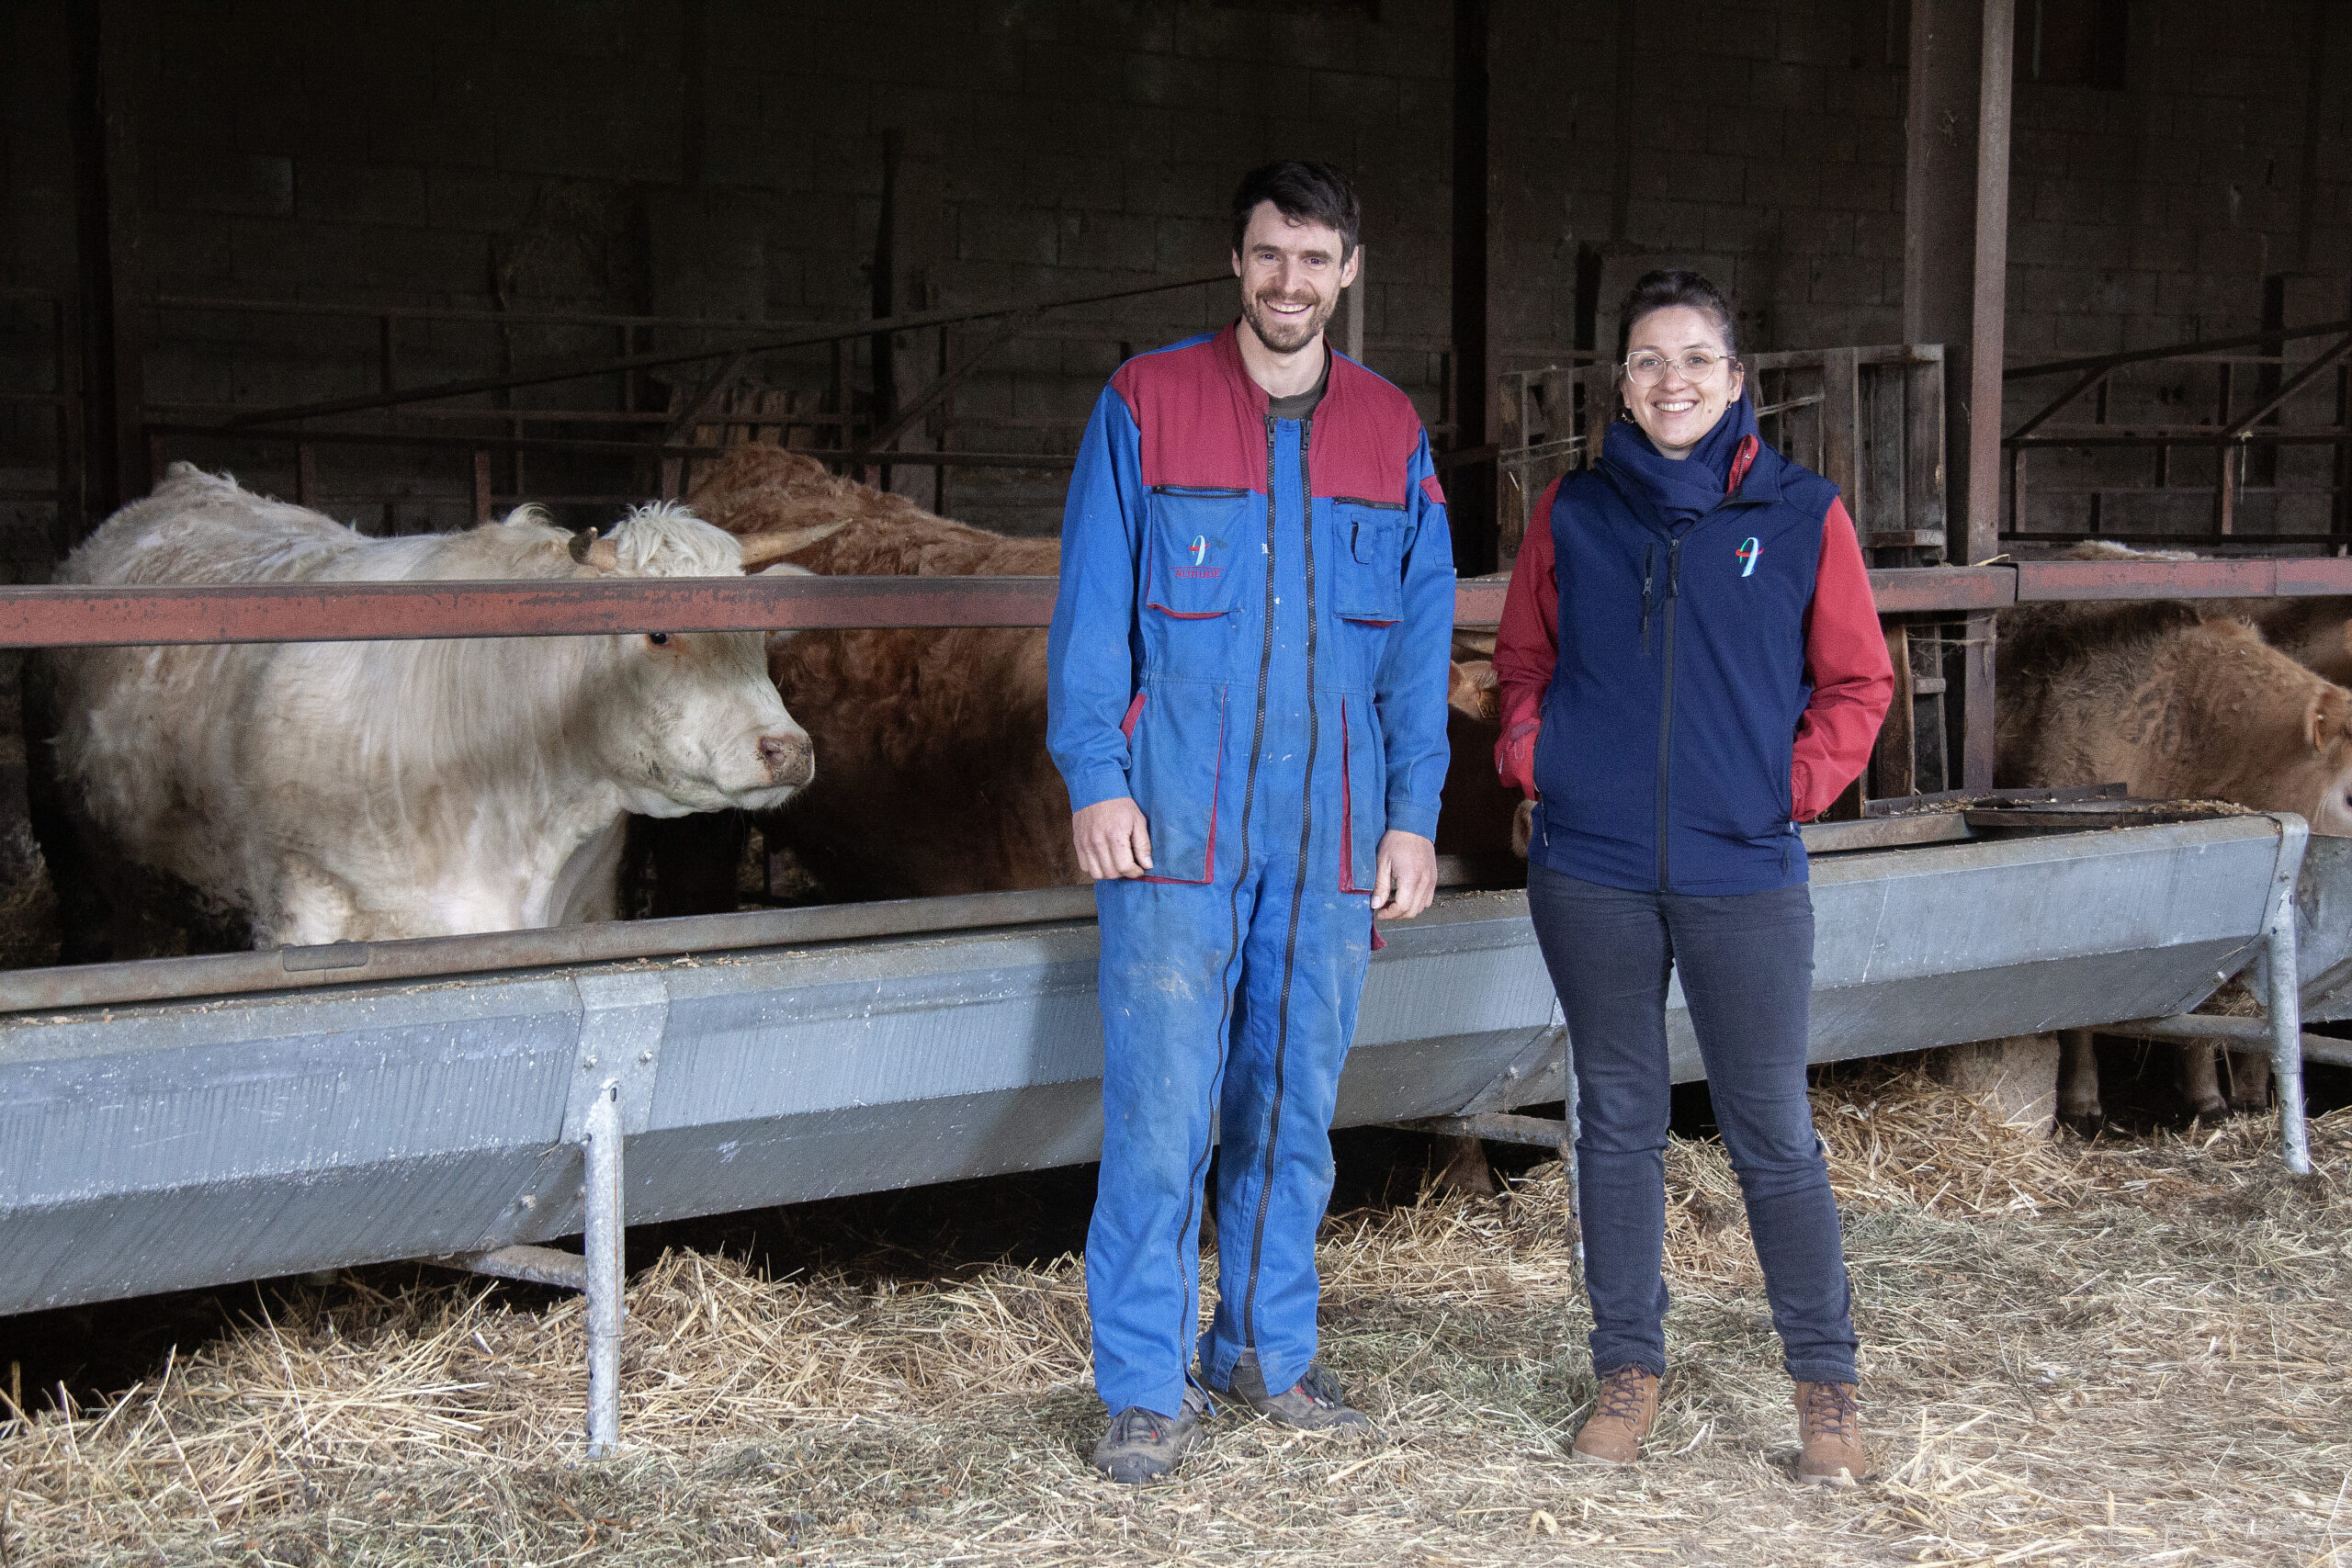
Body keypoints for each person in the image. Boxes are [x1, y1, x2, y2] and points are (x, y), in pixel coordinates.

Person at [1046, 160, 1455, 1484]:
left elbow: (1418, 647)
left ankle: (1266, 1355)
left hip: (1329, 829)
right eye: (1269, 255)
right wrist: (1094, 777)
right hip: (1173, 823)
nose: (1291, 281)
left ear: (1349, 272)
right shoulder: (1147, 403)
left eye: (1316, 258)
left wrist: (1410, 816)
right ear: (1237, 263)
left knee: (1291, 1108)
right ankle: (1145, 1385)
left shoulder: (1390, 431)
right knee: (1163, 1109)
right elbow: (1092, 610)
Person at [1491, 269, 1893, 1485]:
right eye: (1650, 361)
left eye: (1697, 360)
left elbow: (1859, 682)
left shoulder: (1804, 513)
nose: (1673, 382)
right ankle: (1627, 1371)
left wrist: (1790, 789)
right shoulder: (1571, 511)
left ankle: (1826, 1394)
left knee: (1773, 1127)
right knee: (1619, 1119)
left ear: (1736, 382)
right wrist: (1536, 760)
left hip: (1743, 871)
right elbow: (1520, 659)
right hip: (1592, 869)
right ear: (1623, 384)